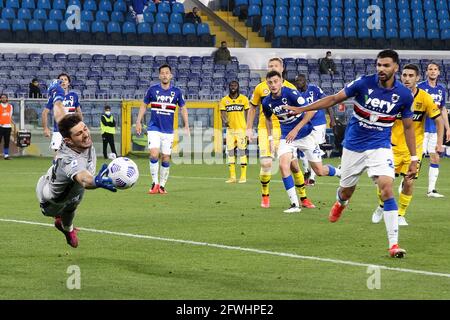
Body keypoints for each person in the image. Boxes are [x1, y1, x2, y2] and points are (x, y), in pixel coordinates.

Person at [284, 50, 417, 258]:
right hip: (353, 146)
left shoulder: (404, 95)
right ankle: (341, 202)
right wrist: (302, 110)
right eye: (379, 65)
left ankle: (393, 244)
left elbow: (409, 127)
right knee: (347, 191)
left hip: (380, 146)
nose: (381, 69)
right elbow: (334, 99)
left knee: (387, 188)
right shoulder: (363, 83)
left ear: (396, 67)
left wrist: (414, 158)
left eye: (386, 65)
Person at [36, 80, 117, 248]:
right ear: (68, 140)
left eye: (85, 128)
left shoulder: (72, 133)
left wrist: (57, 95)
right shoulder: (69, 159)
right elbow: (84, 178)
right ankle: (66, 227)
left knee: (74, 203)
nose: (86, 135)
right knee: (70, 204)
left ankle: (67, 227)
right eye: (79, 134)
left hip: (67, 190)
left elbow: (60, 115)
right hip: (51, 202)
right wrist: (97, 182)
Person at [372, 64, 444, 226]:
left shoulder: (424, 97)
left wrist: (439, 142)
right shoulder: (392, 95)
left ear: (417, 78)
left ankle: (400, 214)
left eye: (411, 75)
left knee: (409, 182)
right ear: (400, 76)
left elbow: (439, 120)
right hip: (391, 147)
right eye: (404, 75)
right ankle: (382, 206)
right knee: (384, 182)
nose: (407, 78)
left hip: (414, 149)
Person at [262, 71, 340, 213]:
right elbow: (267, 119)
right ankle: (294, 205)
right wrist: (270, 138)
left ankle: (340, 172)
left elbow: (311, 111)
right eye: (270, 82)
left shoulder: (291, 94)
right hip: (287, 137)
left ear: (281, 82)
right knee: (283, 165)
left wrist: (296, 129)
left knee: (319, 171)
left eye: (275, 81)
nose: (273, 85)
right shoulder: (267, 102)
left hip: (306, 134)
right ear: (267, 83)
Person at [246, 57, 314, 209]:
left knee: (294, 166)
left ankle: (303, 198)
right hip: (266, 128)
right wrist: (249, 128)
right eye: (270, 66)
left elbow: (303, 110)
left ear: (282, 69)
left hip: (286, 130)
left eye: (275, 65)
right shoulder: (260, 88)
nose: (272, 67)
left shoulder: (289, 88)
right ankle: (265, 196)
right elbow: (252, 107)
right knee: (266, 163)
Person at [135, 64, 190, 194]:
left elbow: (183, 108)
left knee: (166, 157)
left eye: (167, 73)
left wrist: (186, 125)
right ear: (159, 76)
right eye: (162, 73)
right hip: (154, 128)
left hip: (168, 131)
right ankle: (154, 183)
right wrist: (138, 121)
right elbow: (143, 106)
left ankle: (162, 186)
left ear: (170, 75)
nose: (165, 75)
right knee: (154, 154)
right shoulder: (152, 90)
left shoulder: (177, 92)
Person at [293, 74, 336, 186]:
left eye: (300, 80)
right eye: (297, 81)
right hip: (306, 124)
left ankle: (311, 177)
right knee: (305, 150)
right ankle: (307, 170)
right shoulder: (296, 93)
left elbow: (327, 102)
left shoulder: (314, 89)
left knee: (315, 148)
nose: (298, 82)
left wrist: (332, 119)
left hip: (319, 123)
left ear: (305, 80)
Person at [417, 62, 450, 198]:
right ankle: (404, 184)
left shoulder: (441, 89)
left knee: (435, 158)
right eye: (430, 69)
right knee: (415, 159)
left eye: (435, 69)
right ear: (426, 72)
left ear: (439, 72)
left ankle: (431, 190)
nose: (433, 71)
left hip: (435, 130)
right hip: (420, 129)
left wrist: (448, 128)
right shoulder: (420, 87)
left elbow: (442, 110)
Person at [42, 73, 82, 152]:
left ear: (68, 83)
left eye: (65, 79)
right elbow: (44, 113)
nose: (63, 81)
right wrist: (45, 128)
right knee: (57, 155)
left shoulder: (74, 96)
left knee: (74, 154)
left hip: (72, 129)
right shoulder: (54, 97)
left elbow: (79, 112)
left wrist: (80, 126)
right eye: (61, 80)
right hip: (58, 130)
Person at [219, 80, 249, 183]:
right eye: (231, 85)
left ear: (238, 87)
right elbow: (222, 113)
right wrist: (225, 121)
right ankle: (232, 177)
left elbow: (248, 113)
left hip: (241, 130)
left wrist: (248, 128)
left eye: (235, 85)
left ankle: (243, 176)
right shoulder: (224, 100)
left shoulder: (244, 99)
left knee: (242, 152)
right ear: (229, 87)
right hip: (230, 130)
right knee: (230, 153)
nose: (233, 87)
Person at [0, 94, 15, 160]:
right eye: (2, 97)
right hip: (0, 126)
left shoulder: (10, 106)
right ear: (0, 99)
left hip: (8, 126)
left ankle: (6, 155)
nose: (3, 99)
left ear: (7, 98)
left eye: (5, 97)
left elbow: (10, 116)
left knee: (7, 141)